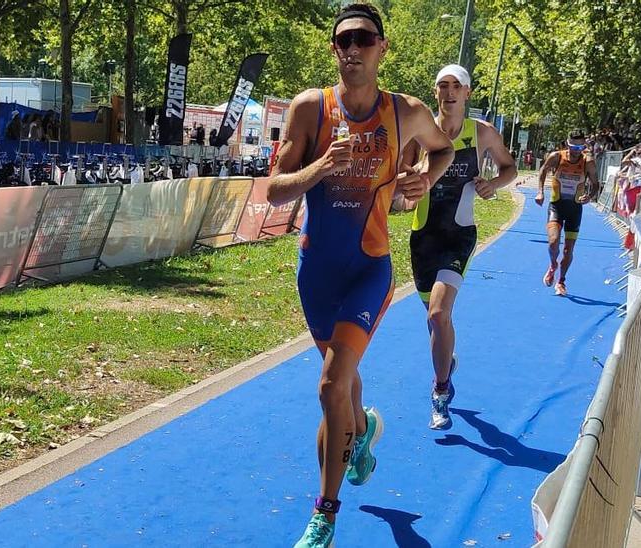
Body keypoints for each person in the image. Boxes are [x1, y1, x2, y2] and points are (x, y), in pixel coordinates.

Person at [265, 4, 455, 545]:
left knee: (330, 385)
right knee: (341, 383)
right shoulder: (310, 110)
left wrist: (420, 179)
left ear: (381, 47)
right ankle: (364, 428)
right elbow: (275, 188)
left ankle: (324, 514)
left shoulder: (406, 112)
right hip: (317, 274)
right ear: (334, 50)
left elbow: (440, 150)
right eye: (343, 40)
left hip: (370, 269)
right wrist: (320, 168)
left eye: (363, 39)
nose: (352, 48)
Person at [411, 63, 516, 430]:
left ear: (467, 93)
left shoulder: (483, 133)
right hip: (422, 236)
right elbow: (402, 175)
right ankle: (447, 363)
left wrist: (493, 185)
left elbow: (509, 168)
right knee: (436, 323)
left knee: (438, 315)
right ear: (436, 92)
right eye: (443, 85)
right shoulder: (420, 132)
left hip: (458, 235)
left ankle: (440, 392)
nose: (449, 92)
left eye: (457, 85)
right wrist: (405, 187)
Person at [535, 130, 599, 296]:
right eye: (573, 146)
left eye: (580, 147)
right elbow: (543, 170)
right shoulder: (557, 156)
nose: (576, 150)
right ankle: (552, 265)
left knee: (568, 251)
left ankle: (561, 281)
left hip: (574, 209)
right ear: (567, 143)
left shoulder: (588, 162)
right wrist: (540, 192)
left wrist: (590, 196)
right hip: (556, 206)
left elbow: (596, 184)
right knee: (553, 241)